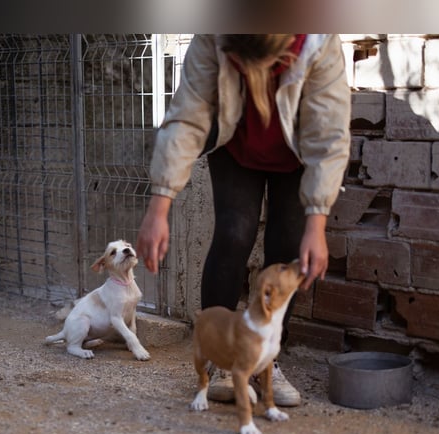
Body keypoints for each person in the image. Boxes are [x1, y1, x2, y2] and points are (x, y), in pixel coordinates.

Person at [136, 34, 351, 406]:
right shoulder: (214, 33)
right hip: (236, 145)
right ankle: (222, 361)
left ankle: (267, 362)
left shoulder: (318, 41)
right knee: (234, 234)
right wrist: (159, 205)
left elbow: (328, 135)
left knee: (287, 250)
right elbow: (189, 116)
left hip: (296, 152)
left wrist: (316, 221)